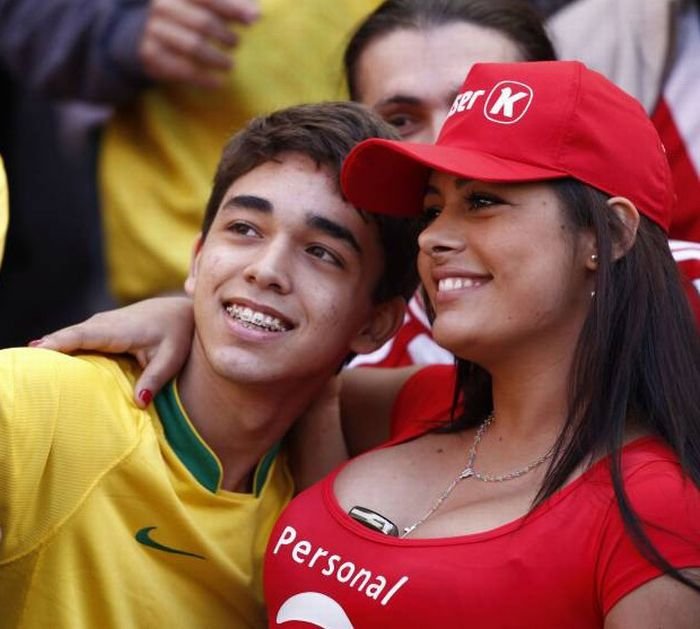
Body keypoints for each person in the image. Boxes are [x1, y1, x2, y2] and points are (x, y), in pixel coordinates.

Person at [264, 60, 700, 627]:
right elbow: (281, 383)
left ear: (609, 234)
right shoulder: (422, 402)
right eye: (432, 208)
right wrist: (178, 318)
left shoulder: (657, 506)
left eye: (482, 202)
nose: (432, 237)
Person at [0, 101, 419, 627]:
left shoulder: (312, 520)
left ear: (376, 325)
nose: (266, 270)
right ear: (198, 260)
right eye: (245, 228)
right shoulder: (50, 396)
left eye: (322, 253)